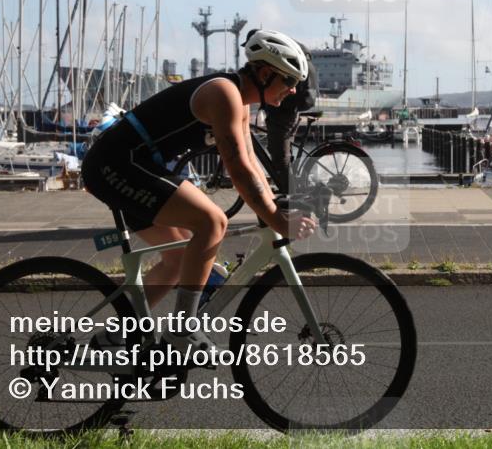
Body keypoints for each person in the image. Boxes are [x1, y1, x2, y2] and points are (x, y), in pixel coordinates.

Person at [80, 29, 317, 351]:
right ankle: (181, 331)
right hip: (117, 165)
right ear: (264, 73)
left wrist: (275, 202)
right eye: (288, 81)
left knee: (178, 260)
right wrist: (274, 218)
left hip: (133, 167)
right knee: (212, 221)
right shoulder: (223, 94)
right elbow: (238, 169)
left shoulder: (240, 102)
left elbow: (251, 164)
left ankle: (114, 337)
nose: (292, 91)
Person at [250, 31, 318, 193]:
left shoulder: (274, 60)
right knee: (285, 154)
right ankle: (290, 188)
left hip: (283, 111)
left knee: (280, 158)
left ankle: (293, 197)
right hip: (290, 109)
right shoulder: (294, 53)